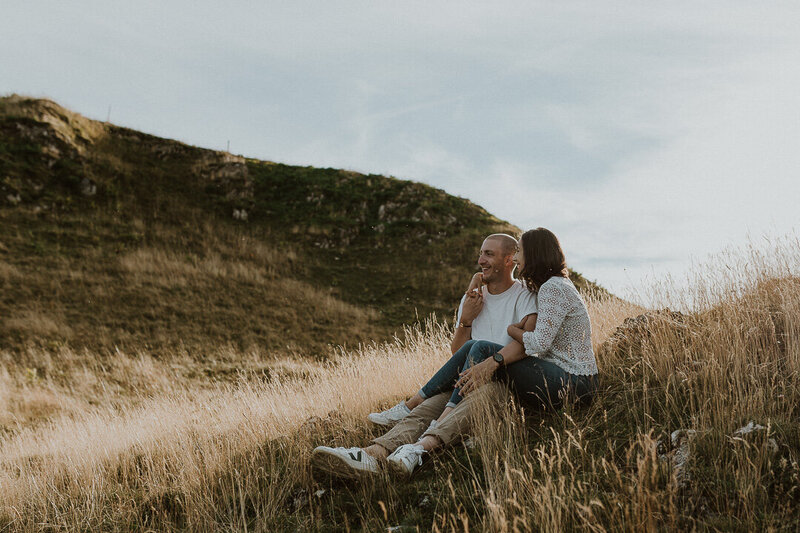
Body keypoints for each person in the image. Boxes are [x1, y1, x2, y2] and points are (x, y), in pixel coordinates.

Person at [311, 233, 538, 478]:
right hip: (467, 379)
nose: (481, 260)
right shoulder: (472, 298)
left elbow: (527, 344)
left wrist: (491, 365)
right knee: (429, 406)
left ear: (509, 260)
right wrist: (465, 321)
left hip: (503, 381)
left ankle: (416, 451)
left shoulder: (525, 294)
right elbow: (458, 353)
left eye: (489, 254)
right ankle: (371, 455)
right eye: (481, 253)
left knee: (476, 397)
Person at [384, 228, 599, 476]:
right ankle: (425, 413)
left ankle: (429, 423)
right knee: (474, 347)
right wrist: (478, 279)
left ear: (535, 253)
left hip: (574, 383)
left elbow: (537, 344)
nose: (518, 258)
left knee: (483, 348)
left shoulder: (552, 288)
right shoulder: (552, 286)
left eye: (521, 252)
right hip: (565, 379)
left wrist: (511, 331)